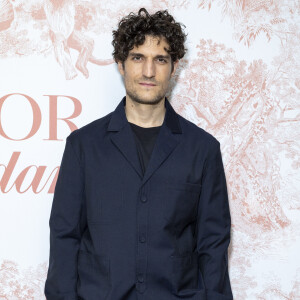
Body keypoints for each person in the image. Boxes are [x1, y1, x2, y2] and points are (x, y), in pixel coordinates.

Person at [44, 7, 233, 300]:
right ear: (121, 64)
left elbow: (213, 245)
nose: (148, 71)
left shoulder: (203, 149)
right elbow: (64, 236)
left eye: (160, 59)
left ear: (174, 66)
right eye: (137, 58)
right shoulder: (83, 146)